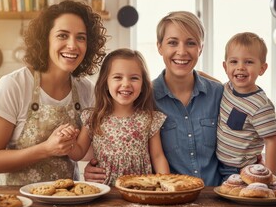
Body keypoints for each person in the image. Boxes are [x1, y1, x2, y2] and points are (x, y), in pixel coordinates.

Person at [84, 11, 224, 186]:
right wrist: (95, 166)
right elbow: (113, 134)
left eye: (191, 43)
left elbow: (239, 139)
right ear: (159, 47)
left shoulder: (218, 93)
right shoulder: (142, 97)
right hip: (166, 198)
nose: (181, 51)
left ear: (200, 48)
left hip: (215, 196)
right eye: (172, 42)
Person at [0, 0, 107, 185]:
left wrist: (93, 167)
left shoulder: (86, 89)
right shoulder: (14, 85)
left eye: (81, 37)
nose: (72, 45)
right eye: (62, 35)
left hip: (68, 201)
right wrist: (46, 149)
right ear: (45, 39)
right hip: (18, 204)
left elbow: (83, 150)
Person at [60, 48, 170, 186]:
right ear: (105, 82)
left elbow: (158, 156)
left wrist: (167, 185)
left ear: (143, 84)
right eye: (118, 77)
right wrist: (68, 141)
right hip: (104, 191)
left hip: (140, 189)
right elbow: (78, 154)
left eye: (134, 78)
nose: (126, 84)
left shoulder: (149, 119)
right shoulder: (93, 118)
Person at [216, 32, 276, 181]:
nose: (240, 67)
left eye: (249, 62)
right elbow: (213, 82)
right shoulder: (227, 88)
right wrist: (195, 74)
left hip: (243, 171)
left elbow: (272, 142)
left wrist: (269, 178)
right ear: (225, 67)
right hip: (218, 166)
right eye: (234, 62)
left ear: (262, 69)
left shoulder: (261, 106)